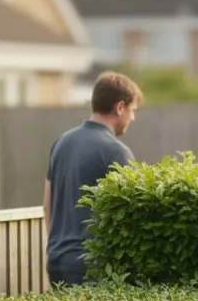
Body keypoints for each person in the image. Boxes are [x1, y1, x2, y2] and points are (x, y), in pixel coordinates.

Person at [44, 71, 142, 287]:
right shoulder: (116, 152)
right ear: (120, 107)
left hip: (57, 262)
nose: (133, 118)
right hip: (92, 266)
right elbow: (130, 218)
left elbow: (47, 204)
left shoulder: (61, 142)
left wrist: (55, 248)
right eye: (132, 110)